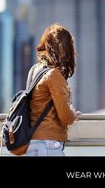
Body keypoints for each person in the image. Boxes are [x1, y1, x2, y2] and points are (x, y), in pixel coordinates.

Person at [25, 23, 80, 156]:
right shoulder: (53, 75)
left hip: (32, 144)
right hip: (48, 145)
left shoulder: (34, 70)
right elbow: (66, 117)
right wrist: (73, 113)